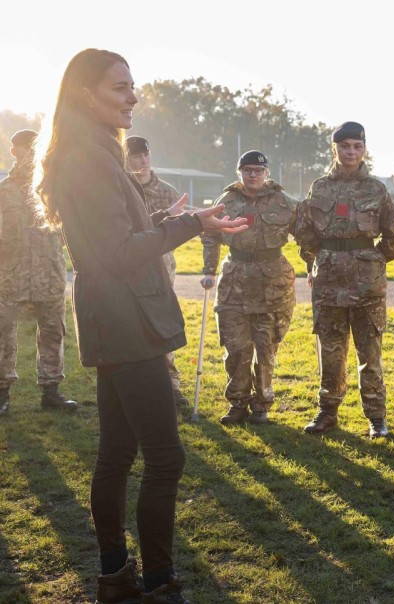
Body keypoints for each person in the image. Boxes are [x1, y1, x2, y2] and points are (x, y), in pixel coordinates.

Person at [34, 48, 247, 604]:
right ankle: (156, 583)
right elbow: (120, 253)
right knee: (164, 456)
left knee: (116, 453)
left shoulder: (94, 151)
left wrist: (183, 220)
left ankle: (115, 576)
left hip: (116, 314)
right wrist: (189, 225)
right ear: (86, 95)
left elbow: (115, 236)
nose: (133, 97)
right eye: (119, 88)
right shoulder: (88, 156)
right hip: (126, 319)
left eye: (133, 86)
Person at [294, 121, 394, 438]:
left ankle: (376, 417)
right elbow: (304, 231)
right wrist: (318, 259)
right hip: (328, 282)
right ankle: (327, 413)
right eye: (345, 147)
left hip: (366, 284)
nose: (351, 152)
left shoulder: (375, 189)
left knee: (369, 353)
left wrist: (374, 258)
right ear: (335, 149)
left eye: (357, 147)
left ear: (364, 149)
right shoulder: (319, 188)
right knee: (331, 352)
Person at [201, 150, 298, 425]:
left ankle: (262, 405)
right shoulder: (226, 201)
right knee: (236, 349)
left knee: (266, 350)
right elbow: (209, 234)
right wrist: (209, 269)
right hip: (234, 283)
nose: (253, 175)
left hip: (273, 284)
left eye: (258, 170)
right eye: (247, 170)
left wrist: (314, 265)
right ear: (239, 173)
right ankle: (238, 403)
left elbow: (306, 233)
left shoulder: (285, 202)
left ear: (267, 173)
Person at [0, 129, 77, 415]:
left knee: (53, 331)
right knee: (2, 333)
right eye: (25, 148)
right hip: (11, 275)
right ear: (14, 151)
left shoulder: (54, 189)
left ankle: (51, 390)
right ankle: (2, 392)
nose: (30, 154)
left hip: (49, 274)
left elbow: (73, 230)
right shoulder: (4, 190)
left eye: (35, 148)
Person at [127, 135, 189, 408]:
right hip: (130, 268)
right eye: (135, 155)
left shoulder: (167, 191)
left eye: (145, 154)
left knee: (162, 325)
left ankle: (171, 384)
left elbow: (178, 232)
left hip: (162, 268)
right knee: (133, 325)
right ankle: (139, 385)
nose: (142, 160)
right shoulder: (123, 190)